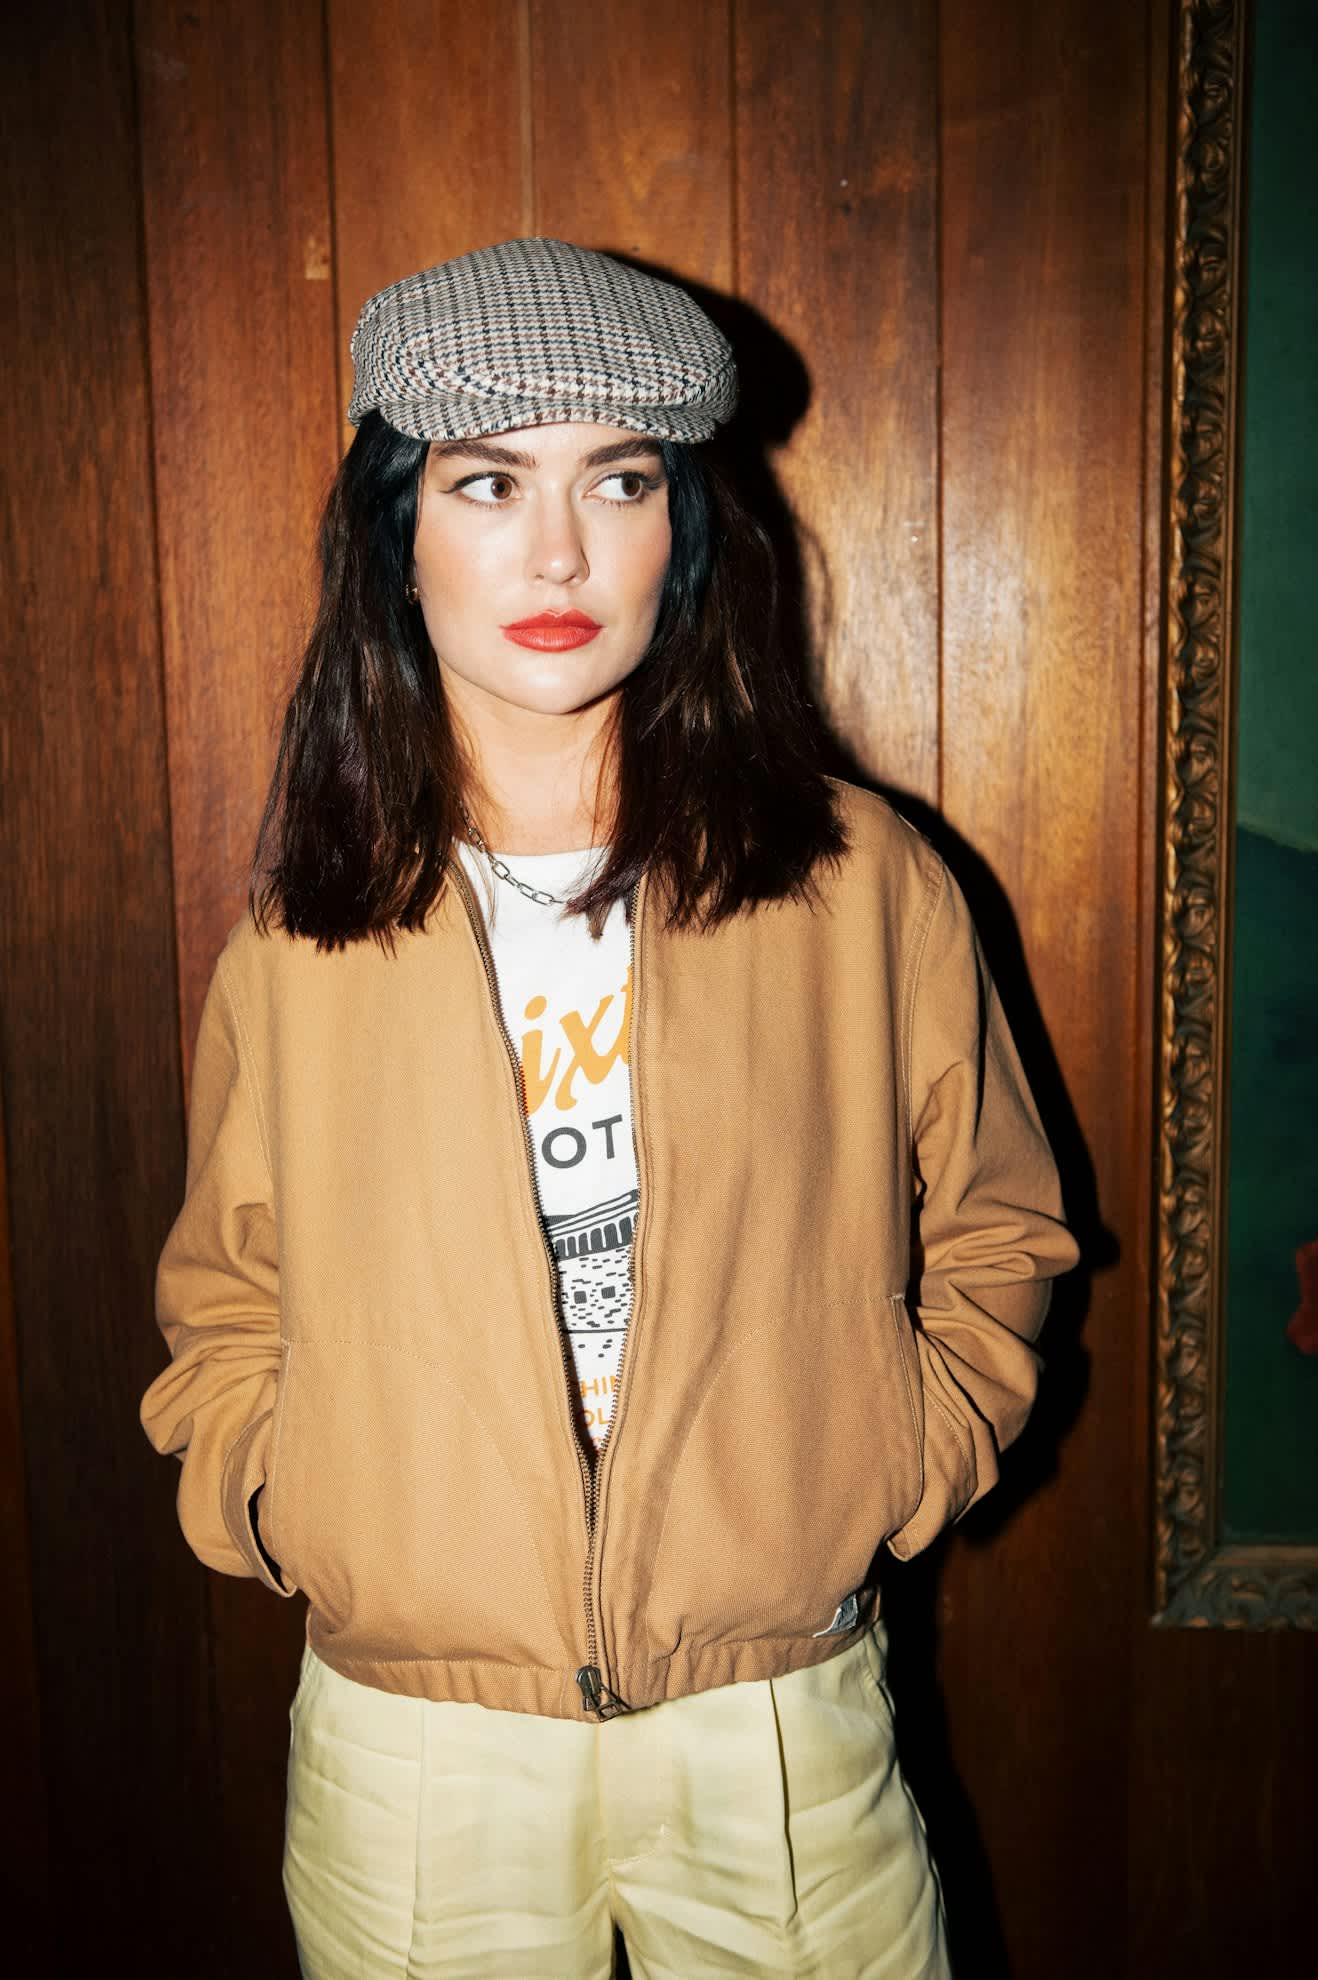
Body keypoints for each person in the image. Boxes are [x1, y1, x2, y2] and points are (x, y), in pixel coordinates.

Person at [141, 237, 1079, 1978]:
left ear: (682, 528)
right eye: (488, 482)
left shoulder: (862, 881)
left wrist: (891, 1464)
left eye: (619, 481)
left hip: (775, 1727)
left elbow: (999, 1231)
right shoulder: (305, 932)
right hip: (420, 1754)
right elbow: (225, 1295)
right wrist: (298, 1507)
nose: (558, 552)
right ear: (396, 533)